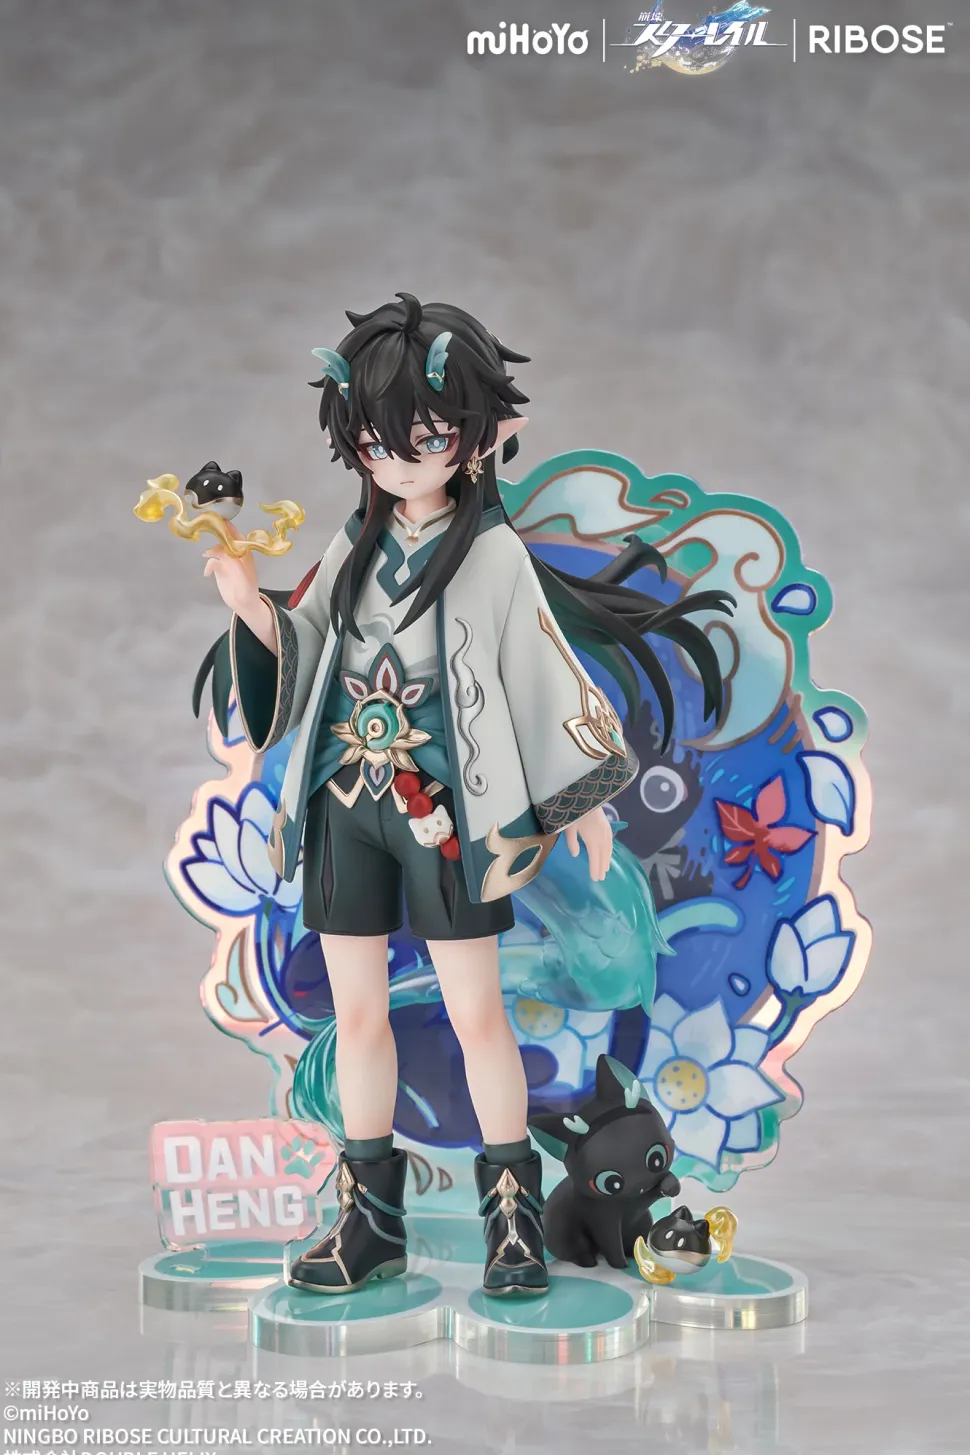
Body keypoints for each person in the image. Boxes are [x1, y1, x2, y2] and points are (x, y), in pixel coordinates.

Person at [199, 292, 733, 1297]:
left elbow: (540, 671)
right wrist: (249, 608)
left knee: (477, 1013)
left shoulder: (491, 556)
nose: (398, 459)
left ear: (475, 438)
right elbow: (304, 652)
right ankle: (369, 1223)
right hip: (344, 803)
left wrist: (582, 797)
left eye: (426, 437)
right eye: (374, 440)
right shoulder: (354, 549)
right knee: (360, 1016)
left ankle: (511, 1219)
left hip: (447, 813)